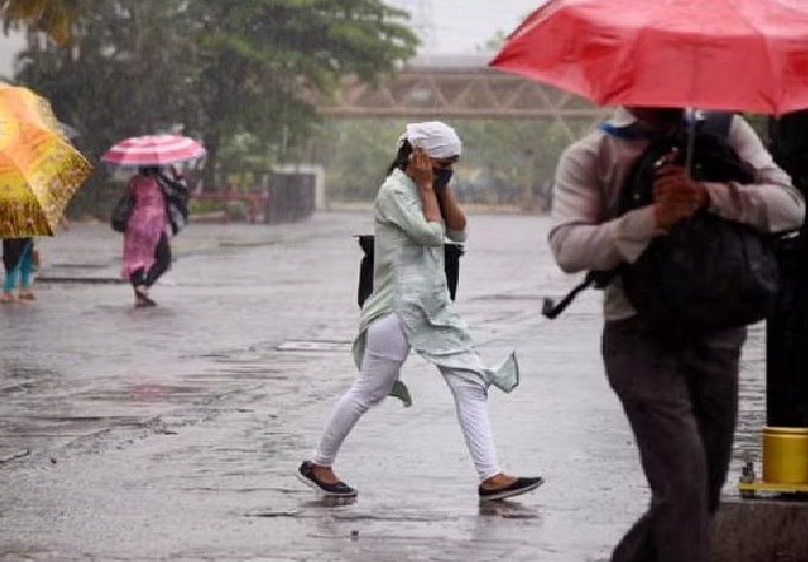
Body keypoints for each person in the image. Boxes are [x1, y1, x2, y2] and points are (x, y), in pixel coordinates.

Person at [549, 108, 806, 562]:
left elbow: (791, 207)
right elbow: (568, 248)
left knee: (699, 492)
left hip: (718, 331)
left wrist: (708, 195)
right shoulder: (593, 154)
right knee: (684, 483)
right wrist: (652, 218)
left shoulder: (728, 131)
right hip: (638, 336)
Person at [298, 122, 544, 500]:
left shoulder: (429, 189)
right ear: (421, 157)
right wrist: (429, 188)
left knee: (469, 383)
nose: (449, 170)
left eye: (453, 164)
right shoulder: (395, 191)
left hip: (431, 307)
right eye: (445, 163)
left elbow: (457, 232)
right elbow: (430, 234)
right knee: (370, 390)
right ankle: (319, 463)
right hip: (398, 307)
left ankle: (491, 477)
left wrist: (439, 188)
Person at [121, 166, 188, 307]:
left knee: (136, 261)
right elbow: (181, 192)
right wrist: (179, 176)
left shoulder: (134, 182)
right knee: (164, 259)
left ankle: (140, 298)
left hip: (134, 225)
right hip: (154, 225)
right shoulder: (161, 181)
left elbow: (128, 200)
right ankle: (144, 286)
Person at [0, 237, 36, 304]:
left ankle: (24, 288)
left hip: (22, 236)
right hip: (18, 237)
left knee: (26, 258)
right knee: (14, 261)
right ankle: (7, 292)